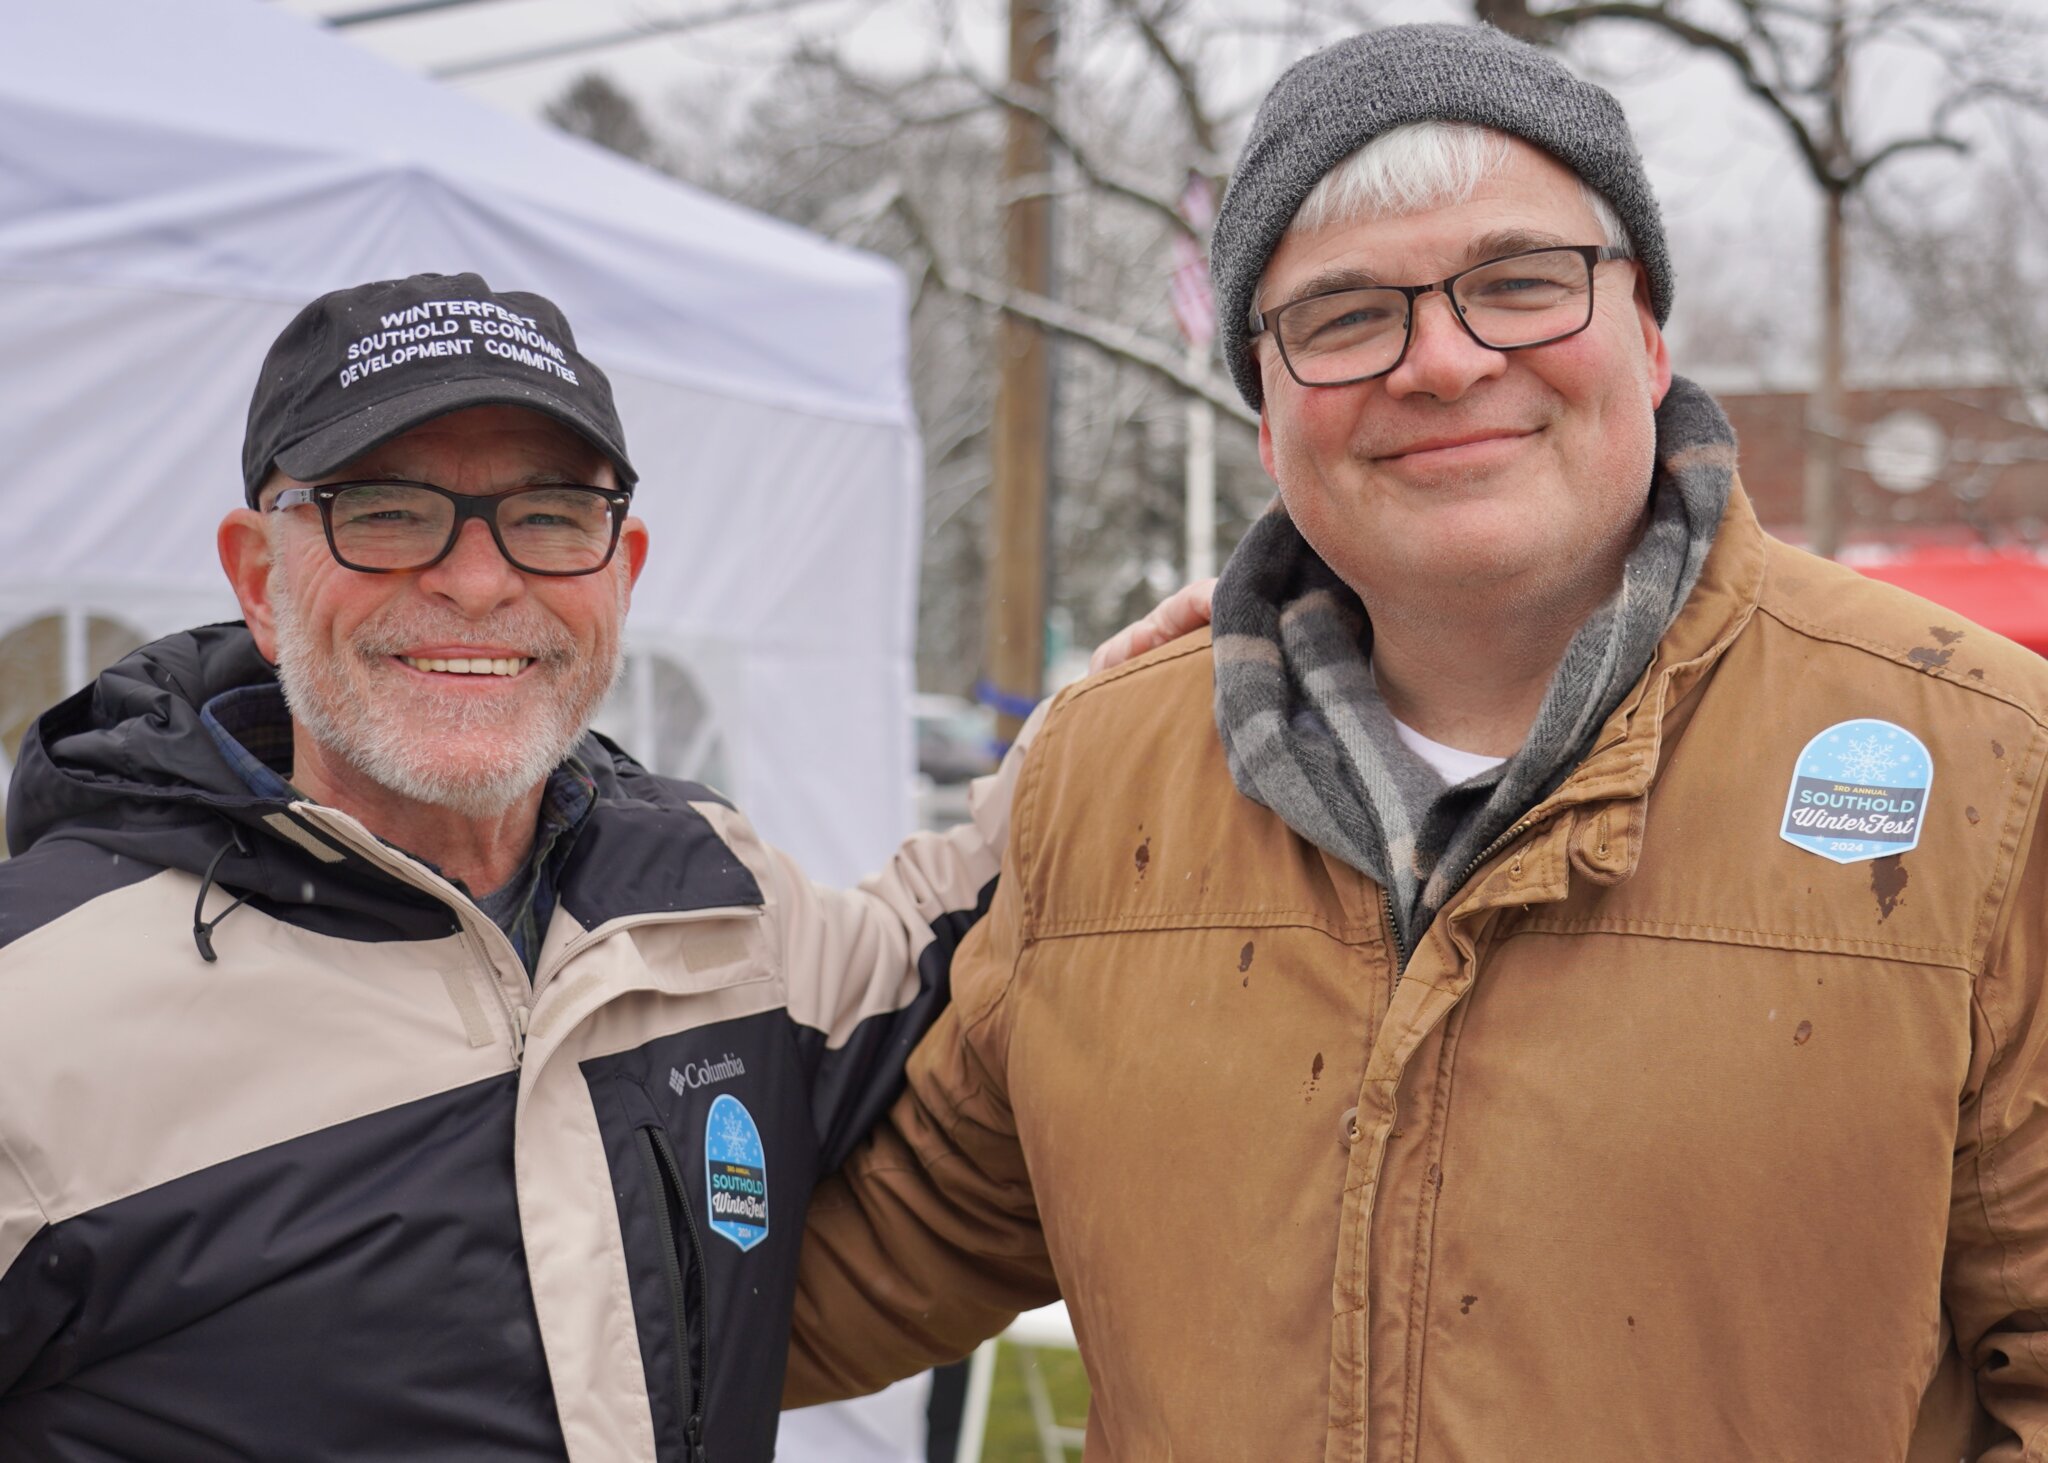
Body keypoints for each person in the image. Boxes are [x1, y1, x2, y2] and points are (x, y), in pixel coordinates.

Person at [785, 24, 2048, 1460]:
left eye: (1521, 283)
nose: (1444, 361)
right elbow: (866, 1253)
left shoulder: (1987, 761)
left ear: (1647, 332)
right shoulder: (1107, 779)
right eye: (1342, 315)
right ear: (1265, 412)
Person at [0, 270, 1193, 1460]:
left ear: (620, 574)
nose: (477, 578)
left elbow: (925, 938)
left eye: (551, 514)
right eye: (385, 508)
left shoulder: (708, 900)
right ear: (261, 578)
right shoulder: (36, 1006)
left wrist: (1096, 725)